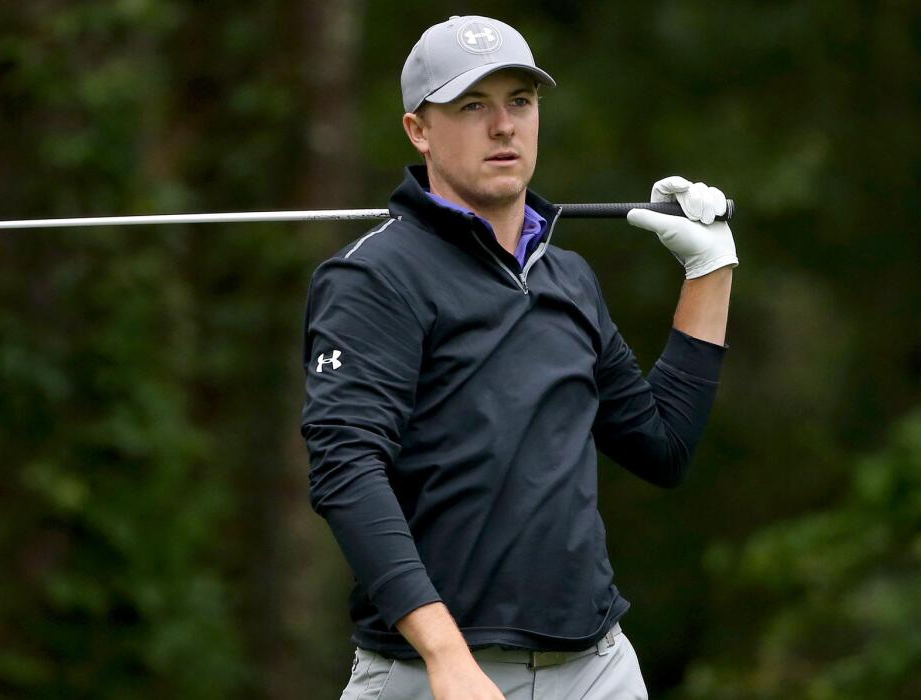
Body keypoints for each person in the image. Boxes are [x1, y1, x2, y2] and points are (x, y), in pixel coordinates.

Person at [301, 14, 736, 700]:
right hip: (432, 674)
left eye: (520, 102)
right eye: (473, 105)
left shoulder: (567, 278)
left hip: (597, 667)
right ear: (419, 129)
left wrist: (712, 271)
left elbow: (662, 446)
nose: (503, 126)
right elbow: (346, 470)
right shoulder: (374, 279)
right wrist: (445, 657)